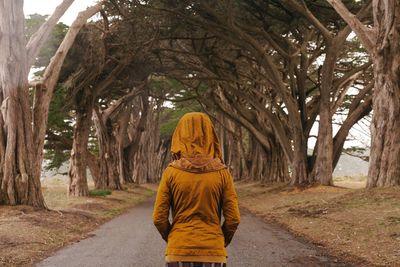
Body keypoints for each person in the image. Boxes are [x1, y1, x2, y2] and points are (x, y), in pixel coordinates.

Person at [153, 112, 240, 267]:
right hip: (213, 252)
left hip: (178, 251)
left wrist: (173, 238)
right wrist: (221, 240)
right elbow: (233, 219)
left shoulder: (171, 172)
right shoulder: (222, 172)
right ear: (210, 135)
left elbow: (158, 218)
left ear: (179, 135)